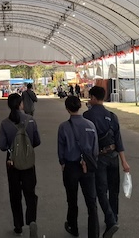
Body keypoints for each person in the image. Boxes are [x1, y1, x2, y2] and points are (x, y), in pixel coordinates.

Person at [83, 86, 131, 238]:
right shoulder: (112, 116)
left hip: (99, 158)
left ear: (93, 98)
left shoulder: (87, 116)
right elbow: (119, 141)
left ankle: (110, 219)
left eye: (90, 97)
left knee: (101, 190)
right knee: (114, 189)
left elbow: (87, 141)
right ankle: (114, 216)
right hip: (114, 156)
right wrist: (124, 162)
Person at [0, 93, 41, 236]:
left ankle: (18, 225)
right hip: (28, 162)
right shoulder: (31, 120)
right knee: (30, 193)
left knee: (15, 195)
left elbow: (2, 145)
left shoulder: (5, 123)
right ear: (20, 104)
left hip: (12, 163)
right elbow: (37, 141)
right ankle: (31, 220)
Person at [57, 96, 99, 238]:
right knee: (91, 202)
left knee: (72, 199)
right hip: (87, 166)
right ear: (80, 106)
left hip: (70, 166)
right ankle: (93, 233)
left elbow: (61, 149)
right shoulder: (90, 125)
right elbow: (95, 149)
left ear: (67, 108)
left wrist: (62, 163)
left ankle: (73, 226)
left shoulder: (63, 127)